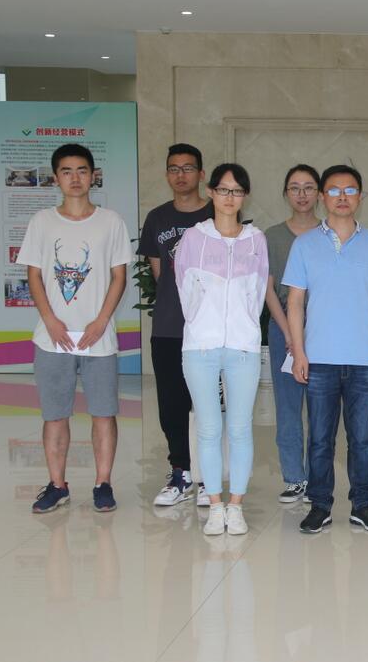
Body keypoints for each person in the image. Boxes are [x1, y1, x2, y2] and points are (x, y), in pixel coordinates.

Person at [285, 165, 368, 534]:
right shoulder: (305, 245)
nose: (342, 197)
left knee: (361, 439)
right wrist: (299, 352)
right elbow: (295, 302)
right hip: (319, 360)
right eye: (334, 190)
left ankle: (362, 504)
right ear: (323, 197)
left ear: (361, 197)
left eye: (350, 190)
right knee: (320, 439)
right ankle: (320, 505)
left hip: (364, 360)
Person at [21, 143, 131, 514]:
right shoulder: (42, 222)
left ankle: (103, 483)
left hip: (98, 338)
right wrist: (51, 320)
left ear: (93, 175)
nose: (75, 178)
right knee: (55, 415)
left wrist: (101, 321)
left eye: (82, 170)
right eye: (66, 171)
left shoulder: (111, 222)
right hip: (52, 338)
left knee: (103, 413)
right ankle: (57, 485)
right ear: (56, 178)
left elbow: (119, 276)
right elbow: (34, 275)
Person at [175, 163, 269, 535]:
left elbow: (257, 295)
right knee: (209, 428)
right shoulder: (193, 239)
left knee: (241, 428)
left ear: (245, 196)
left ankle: (236, 506)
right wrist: (204, 325)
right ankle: (215, 505)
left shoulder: (255, 240)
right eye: (224, 190)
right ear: (211, 192)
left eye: (237, 191)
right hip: (200, 347)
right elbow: (185, 292)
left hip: (243, 348)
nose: (230, 197)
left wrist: (242, 329)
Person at [139, 143, 214, 508]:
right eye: (174, 168)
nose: (181, 175)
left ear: (201, 173)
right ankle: (180, 472)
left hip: (211, 329)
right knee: (171, 404)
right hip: (170, 326)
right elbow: (159, 273)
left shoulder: (217, 212)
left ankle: (208, 476)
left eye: (188, 168)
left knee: (208, 404)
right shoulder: (157, 218)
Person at [264, 164, 320, 504]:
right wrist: (288, 331)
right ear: (286, 193)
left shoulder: (330, 233)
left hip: (322, 329)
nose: (302, 194)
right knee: (288, 406)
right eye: (295, 187)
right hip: (282, 326)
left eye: (308, 187)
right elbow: (268, 289)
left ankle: (317, 478)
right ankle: (294, 478)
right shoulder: (272, 236)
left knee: (320, 408)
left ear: (319, 193)